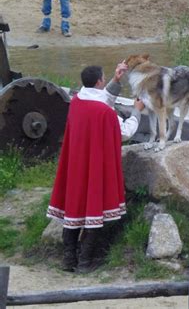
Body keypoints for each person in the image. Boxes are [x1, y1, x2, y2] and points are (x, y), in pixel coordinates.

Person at [47, 62, 145, 273]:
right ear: (99, 81)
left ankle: (68, 259)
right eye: (105, 77)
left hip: (76, 164)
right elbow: (125, 133)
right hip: (95, 165)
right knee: (94, 207)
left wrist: (116, 81)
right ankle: (85, 262)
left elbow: (100, 99)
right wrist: (137, 112)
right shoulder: (105, 113)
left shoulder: (76, 101)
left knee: (74, 206)